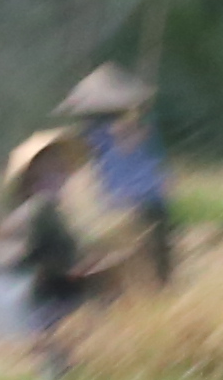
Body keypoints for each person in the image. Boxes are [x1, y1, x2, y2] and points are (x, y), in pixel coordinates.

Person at [2, 127, 113, 379]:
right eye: (53, 171)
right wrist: (70, 268)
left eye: (61, 170)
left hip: (59, 288)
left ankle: (57, 378)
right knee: (55, 343)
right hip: (51, 290)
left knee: (60, 345)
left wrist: (86, 260)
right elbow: (27, 254)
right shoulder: (39, 210)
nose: (60, 176)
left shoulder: (55, 210)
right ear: (35, 178)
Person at [59, 63, 174, 286]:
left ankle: (144, 285)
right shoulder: (141, 128)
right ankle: (158, 285)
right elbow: (160, 164)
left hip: (119, 201)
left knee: (131, 254)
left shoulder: (88, 135)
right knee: (156, 253)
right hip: (144, 198)